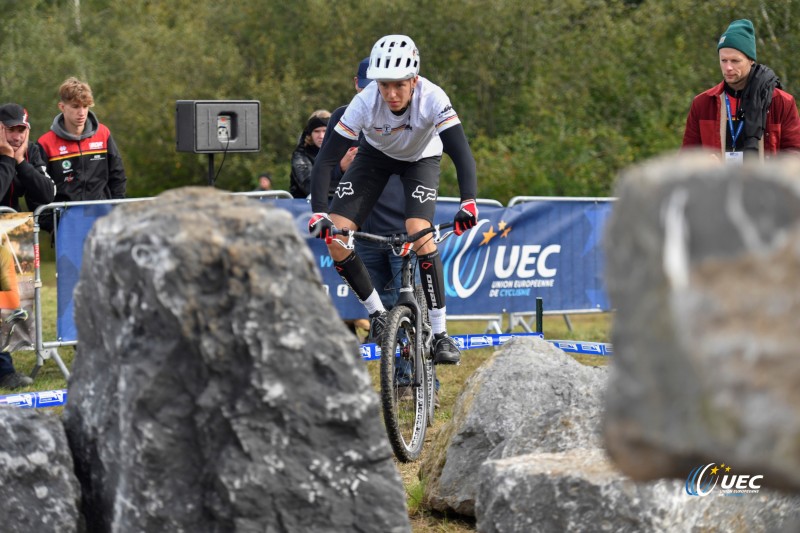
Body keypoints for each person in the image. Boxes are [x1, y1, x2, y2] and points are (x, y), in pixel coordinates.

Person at [308, 35, 479, 365]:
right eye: (384, 85)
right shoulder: (365, 102)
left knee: (419, 230)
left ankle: (441, 334)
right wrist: (318, 213)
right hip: (376, 156)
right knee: (337, 237)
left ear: (414, 79)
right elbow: (326, 160)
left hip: (421, 159)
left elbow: (461, 153)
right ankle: (376, 315)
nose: (391, 94)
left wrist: (467, 202)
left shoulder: (433, 98)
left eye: (399, 85)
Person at [322, 58, 408, 312]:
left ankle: (417, 348)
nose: (375, 95)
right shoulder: (342, 117)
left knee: (406, 302)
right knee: (377, 307)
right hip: (362, 230)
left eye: (379, 87)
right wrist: (341, 169)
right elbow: (324, 171)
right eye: (367, 87)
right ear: (356, 85)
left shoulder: (403, 115)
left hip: (400, 228)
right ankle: (384, 350)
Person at [682, 19, 800, 161]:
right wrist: (702, 165)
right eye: (723, 60)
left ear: (751, 60)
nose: (728, 68)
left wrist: (772, 171)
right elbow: (686, 158)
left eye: (735, 61)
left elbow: (795, 154)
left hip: (764, 182)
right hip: (718, 182)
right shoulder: (702, 103)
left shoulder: (781, 102)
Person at [35, 77, 127, 232]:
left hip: (102, 222)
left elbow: (118, 176)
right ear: (62, 107)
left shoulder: (103, 134)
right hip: (66, 226)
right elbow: (37, 189)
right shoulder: (46, 143)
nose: (82, 112)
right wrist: (51, 224)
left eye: (85, 106)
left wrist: (115, 211)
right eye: (76, 106)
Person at [0, 103, 56, 211]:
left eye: (21, 130)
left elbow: (48, 195)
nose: (16, 138)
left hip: (13, 222)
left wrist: (21, 162)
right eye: (10, 130)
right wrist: (7, 158)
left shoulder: (29, 150)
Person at [289, 109, 330, 199]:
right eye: (316, 131)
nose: (321, 136)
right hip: (304, 208)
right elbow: (310, 186)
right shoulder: (300, 155)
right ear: (310, 133)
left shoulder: (340, 151)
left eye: (325, 130)